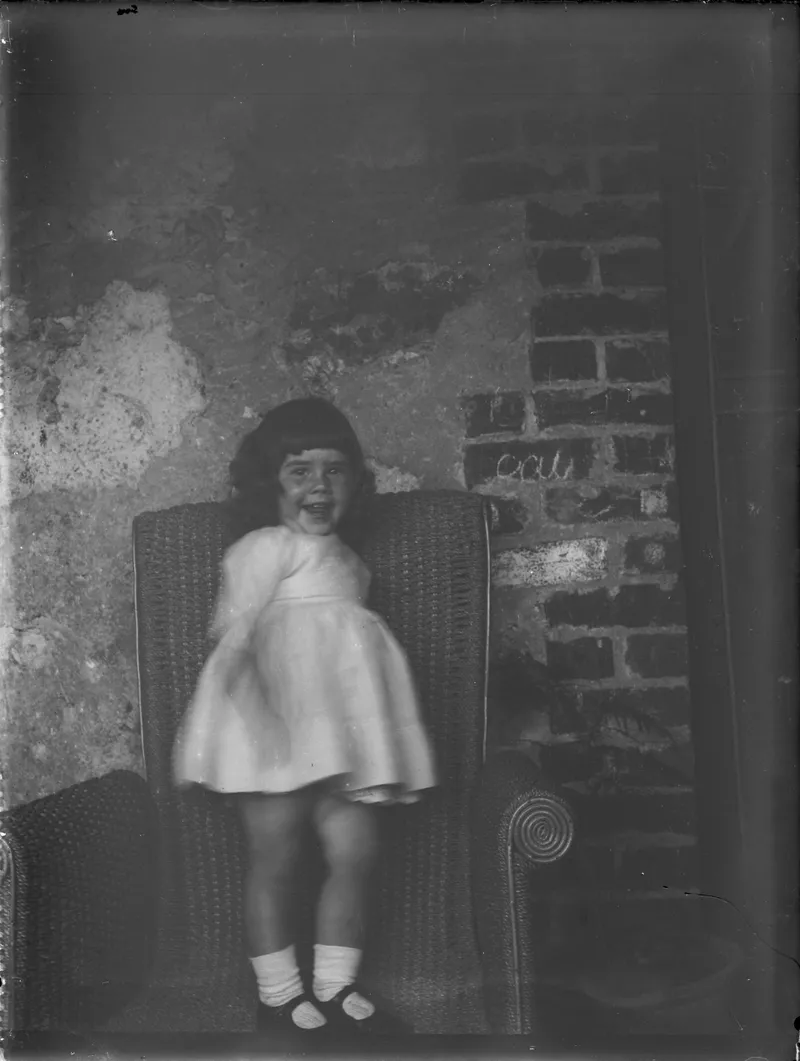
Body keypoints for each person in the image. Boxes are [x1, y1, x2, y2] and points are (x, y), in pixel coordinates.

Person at [172, 397, 437, 1036]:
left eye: (335, 470)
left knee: (356, 851)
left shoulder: (352, 563)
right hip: (275, 730)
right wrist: (260, 720)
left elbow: (350, 665)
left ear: (355, 482)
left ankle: (335, 981)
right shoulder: (264, 547)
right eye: (300, 471)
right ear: (270, 483)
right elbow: (235, 643)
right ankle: (279, 993)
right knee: (276, 858)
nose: (320, 486)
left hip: (343, 742)